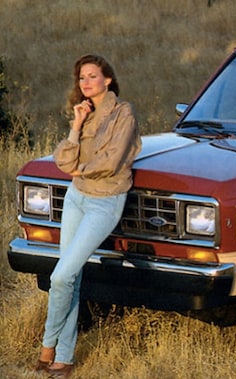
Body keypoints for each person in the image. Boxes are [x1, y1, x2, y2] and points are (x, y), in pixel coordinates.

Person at [34, 54, 142, 377]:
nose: (85, 83)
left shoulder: (124, 113)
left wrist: (81, 169)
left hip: (105, 202)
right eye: (81, 78)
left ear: (107, 79)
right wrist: (77, 125)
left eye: (92, 76)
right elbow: (63, 161)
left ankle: (47, 343)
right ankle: (64, 359)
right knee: (72, 278)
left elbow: (111, 161)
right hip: (76, 198)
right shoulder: (85, 113)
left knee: (60, 276)